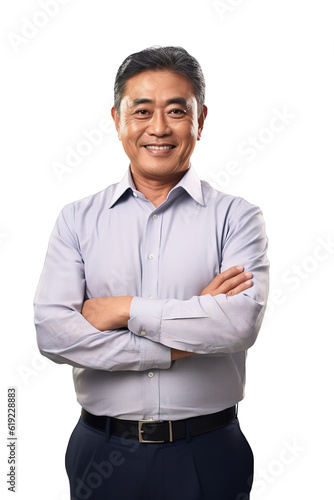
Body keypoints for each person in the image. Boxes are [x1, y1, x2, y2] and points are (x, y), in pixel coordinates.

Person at [34, 46, 269, 500]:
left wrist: (121, 310)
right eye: (142, 111)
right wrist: (188, 335)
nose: (158, 128)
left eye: (176, 111)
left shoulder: (237, 218)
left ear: (200, 121)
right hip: (101, 451)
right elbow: (54, 335)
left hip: (209, 453)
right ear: (118, 119)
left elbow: (237, 324)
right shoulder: (76, 220)